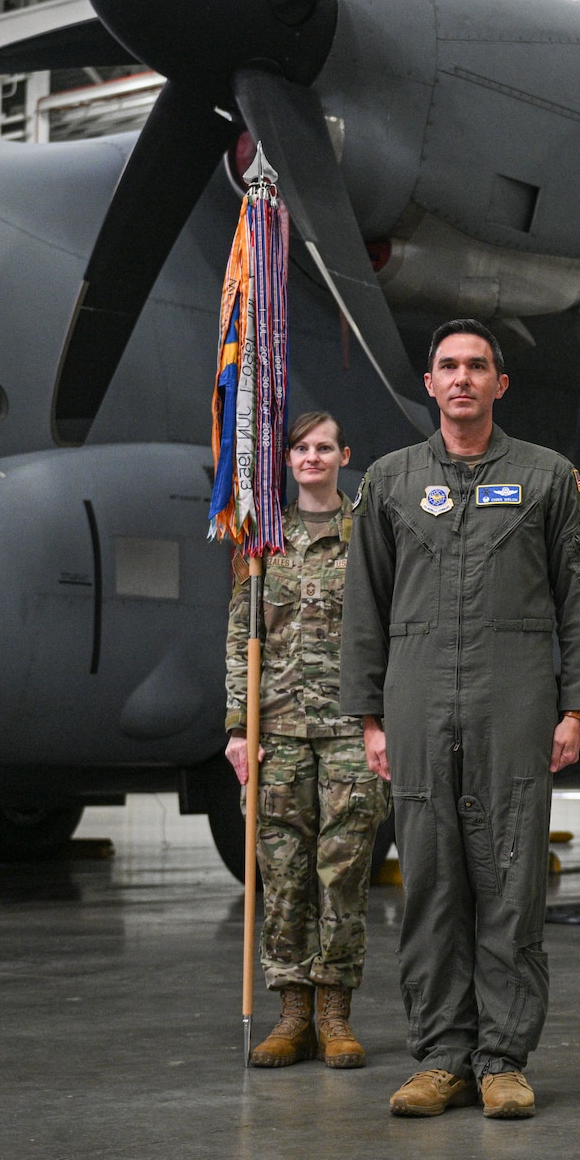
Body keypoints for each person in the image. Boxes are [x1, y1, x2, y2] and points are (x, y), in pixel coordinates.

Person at [339, 318, 580, 1121]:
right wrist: (369, 714)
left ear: (500, 384)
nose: (462, 378)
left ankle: (502, 1059)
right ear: (429, 383)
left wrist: (575, 704)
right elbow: (365, 605)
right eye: (448, 366)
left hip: (514, 695)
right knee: (430, 884)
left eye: (477, 366)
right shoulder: (387, 480)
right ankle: (440, 1056)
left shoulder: (548, 477)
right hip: (417, 698)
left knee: (510, 881)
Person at [227, 411, 391, 1070]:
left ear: (343, 454)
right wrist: (240, 728)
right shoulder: (264, 541)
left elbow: (392, 633)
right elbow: (242, 637)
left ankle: (335, 1013)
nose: (313, 456)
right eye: (301, 447)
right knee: (285, 878)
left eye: (325, 446)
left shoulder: (370, 537)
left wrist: (387, 719)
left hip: (351, 730)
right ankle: (291, 1012)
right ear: (287, 459)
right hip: (281, 735)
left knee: (343, 876)